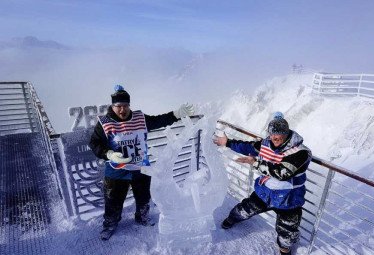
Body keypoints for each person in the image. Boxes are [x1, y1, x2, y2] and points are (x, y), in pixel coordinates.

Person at [89, 85, 195, 240]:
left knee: (144, 198)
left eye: (125, 105)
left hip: (141, 169)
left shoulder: (140, 118)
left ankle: (142, 217)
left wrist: (176, 114)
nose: (122, 110)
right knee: (113, 201)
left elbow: (158, 120)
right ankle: (110, 224)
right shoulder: (105, 123)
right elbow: (94, 143)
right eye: (118, 106)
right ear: (113, 106)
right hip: (116, 172)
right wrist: (109, 153)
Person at [213, 115, 311, 255]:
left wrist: (255, 162)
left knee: (287, 232)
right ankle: (231, 219)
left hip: (289, 200)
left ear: (287, 134)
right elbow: (247, 146)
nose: (274, 139)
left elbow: (281, 173)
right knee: (244, 209)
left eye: (278, 136)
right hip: (265, 192)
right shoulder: (267, 143)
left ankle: (284, 250)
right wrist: (227, 142)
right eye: (272, 136)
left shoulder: (301, 152)